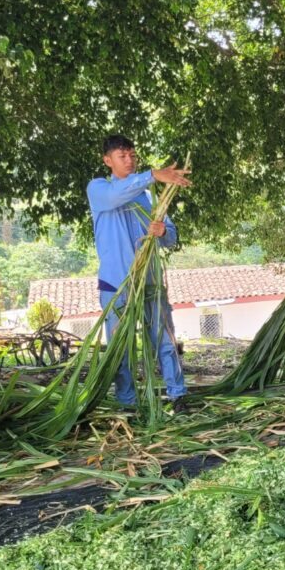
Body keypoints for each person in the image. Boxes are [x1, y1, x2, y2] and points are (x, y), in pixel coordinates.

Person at [87, 135, 192, 411]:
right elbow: (116, 195)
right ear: (107, 160)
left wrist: (164, 231)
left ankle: (177, 394)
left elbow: (171, 237)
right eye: (123, 156)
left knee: (165, 339)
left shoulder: (148, 198)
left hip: (150, 281)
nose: (130, 160)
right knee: (121, 347)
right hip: (116, 284)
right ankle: (128, 403)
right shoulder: (99, 189)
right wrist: (153, 174)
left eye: (133, 155)